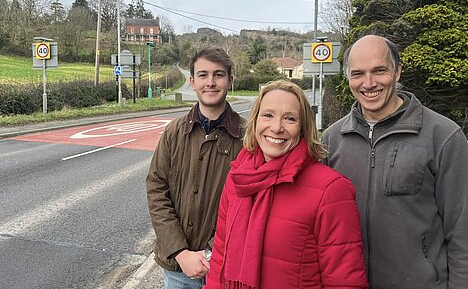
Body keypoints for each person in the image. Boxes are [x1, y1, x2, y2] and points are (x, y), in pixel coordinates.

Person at [322, 35, 468, 288]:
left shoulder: (443, 136)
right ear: (348, 79)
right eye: (358, 74)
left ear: (398, 71)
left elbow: (462, 231)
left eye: (379, 71)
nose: (368, 83)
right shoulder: (332, 140)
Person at [205, 80, 368, 289]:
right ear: (255, 121)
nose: (276, 127)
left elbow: (344, 280)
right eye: (268, 115)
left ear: (303, 129)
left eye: (289, 118)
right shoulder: (238, 176)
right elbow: (221, 254)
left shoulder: (331, 189)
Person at [146, 45, 246, 289]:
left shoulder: (248, 136)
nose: (210, 82)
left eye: (218, 74)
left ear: (230, 80)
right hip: (179, 269)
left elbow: (248, 205)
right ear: (192, 81)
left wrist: (211, 254)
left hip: (227, 267)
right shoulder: (174, 132)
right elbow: (157, 191)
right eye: (203, 75)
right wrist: (180, 252)